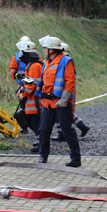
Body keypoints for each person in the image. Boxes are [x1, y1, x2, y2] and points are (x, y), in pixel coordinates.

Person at [35, 35, 81, 167]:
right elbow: (45, 81)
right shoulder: (46, 62)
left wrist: (64, 99)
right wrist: (33, 81)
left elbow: (69, 82)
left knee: (67, 130)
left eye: (45, 48)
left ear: (52, 50)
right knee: (44, 129)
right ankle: (43, 156)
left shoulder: (66, 61)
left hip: (60, 102)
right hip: (48, 103)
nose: (43, 50)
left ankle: (75, 158)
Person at [51, 42, 90, 142]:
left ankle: (63, 133)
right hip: (67, 91)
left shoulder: (64, 62)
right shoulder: (67, 62)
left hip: (65, 92)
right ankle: (81, 127)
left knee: (63, 113)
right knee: (64, 113)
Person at [16, 40, 43, 153]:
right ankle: (40, 142)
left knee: (35, 123)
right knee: (33, 122)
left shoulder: (35, 66)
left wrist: (23, 93)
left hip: (36, 102)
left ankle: (41, 143)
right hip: (33, 102)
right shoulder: (32, 65)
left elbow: (31, 85)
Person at [9, 35, 32, 134]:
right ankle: (25, 127)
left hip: (31, 86)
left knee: (32, 106)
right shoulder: (16, 57)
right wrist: (17, 75)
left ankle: (35, 125)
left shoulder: (34, 55)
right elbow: (11, 69)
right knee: (23, 107)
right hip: (21, 86)